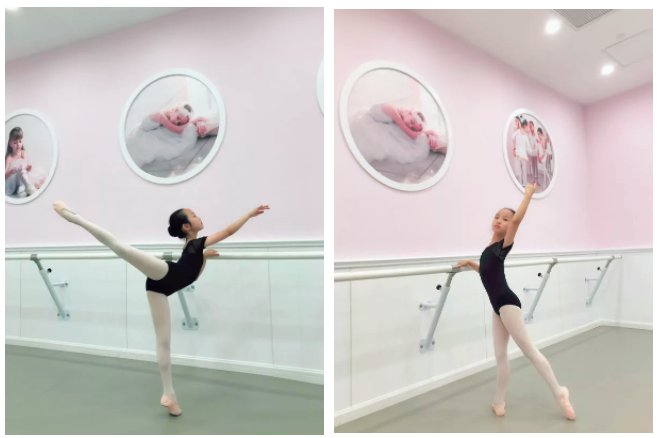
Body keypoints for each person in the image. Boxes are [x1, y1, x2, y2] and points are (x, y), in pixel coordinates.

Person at [53, 200, 269, 416]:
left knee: (164, 342)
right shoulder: (196, 243)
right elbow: (228, 231)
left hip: (161, 288)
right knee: (122, 248)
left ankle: (169, 395)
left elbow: (193, 275)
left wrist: (204, 257)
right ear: (186, 226)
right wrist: (248, 215)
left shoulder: (193, 249)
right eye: (194, 215)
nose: (199, 217)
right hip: (166, 274)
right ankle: (75, 218)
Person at [456, 183, 575, 421]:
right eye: (497, 217)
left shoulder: (502, 246)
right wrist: (470, 264)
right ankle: (499, 401)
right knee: (500, 355)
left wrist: (528, 194)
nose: (499, 221)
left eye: (505, 219)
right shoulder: (490, 249)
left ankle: (559, 391)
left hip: (507, 303)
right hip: (497, 307)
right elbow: (487, 274)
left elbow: (518, 220)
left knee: (529, 350)